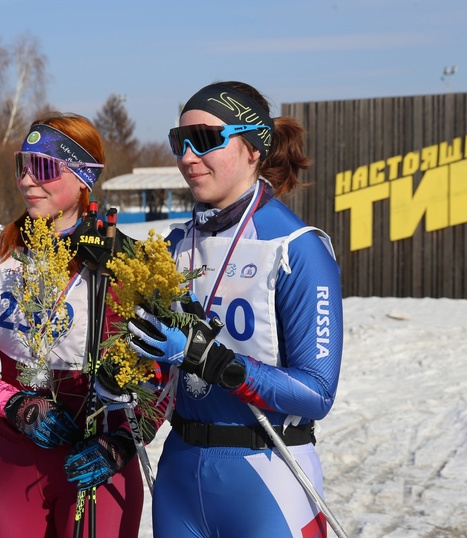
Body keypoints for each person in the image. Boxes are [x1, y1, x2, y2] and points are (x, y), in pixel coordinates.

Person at [126, 81, 344, 537]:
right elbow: (163, 373)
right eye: (179, 142)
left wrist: (217, 362)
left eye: (205, 140)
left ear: (252, 148)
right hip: (181, 476)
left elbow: (317, 392)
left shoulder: (296, 249)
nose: (187, 157)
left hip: (268, 474)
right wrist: (125, 386)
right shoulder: (175, 246)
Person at [0, 113, 151, 537]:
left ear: (83, 178)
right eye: (21, 166)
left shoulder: (126, 259)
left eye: (42, 168)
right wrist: (14, 405)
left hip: (96, 458)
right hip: (18, 455)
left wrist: (122, 442)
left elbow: (161, 376)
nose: (26, 181)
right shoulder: (0, 254)